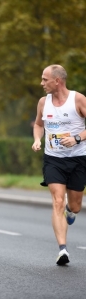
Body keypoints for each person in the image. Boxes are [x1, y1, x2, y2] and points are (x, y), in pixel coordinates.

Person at [32, 64, 86, 265]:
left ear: (58, 81)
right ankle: (62, 249)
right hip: (53, 159)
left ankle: (71, 213)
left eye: (45, 79)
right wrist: (38, 139)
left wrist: (77, 139)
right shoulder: (42, 102)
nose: (42, 83)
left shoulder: (78, 99)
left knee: (74, 205)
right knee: (57, 201)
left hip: (78, 158)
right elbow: (39, 124)